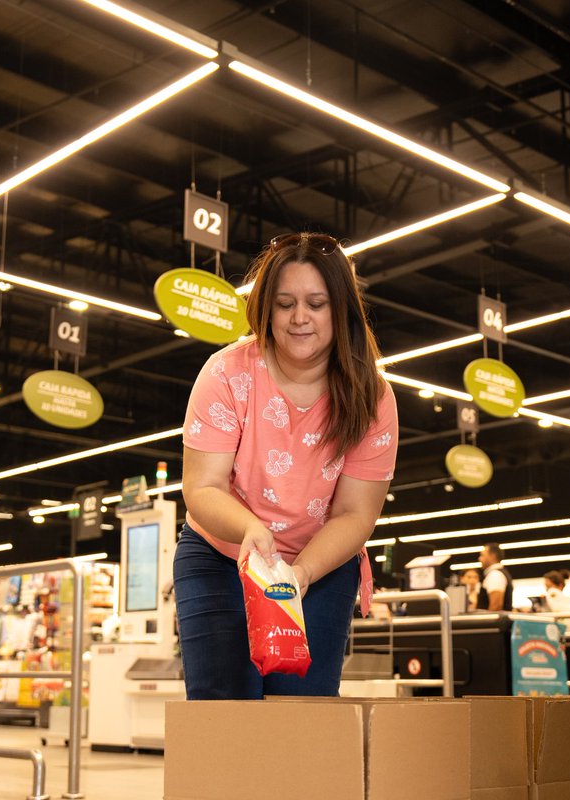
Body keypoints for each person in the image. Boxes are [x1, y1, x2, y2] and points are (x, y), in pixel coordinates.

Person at [176, 232, 399, 700]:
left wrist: (300, 575)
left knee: (301, 719)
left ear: (341, 310)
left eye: (317, 303)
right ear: (266, 310)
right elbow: (203, 486)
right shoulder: (227, 373)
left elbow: (356, 514)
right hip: (222, 556)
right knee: (224, 716)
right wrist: (251, 531)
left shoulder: (371, 396)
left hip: (320, 564)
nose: (300, 318)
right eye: (285, 303)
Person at [475, 543, 512, 611]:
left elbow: (496, 606)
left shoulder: (495, 575)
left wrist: (486, 621)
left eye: (482, 555)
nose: (479, 558)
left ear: (492, 556)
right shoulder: (497, 573)